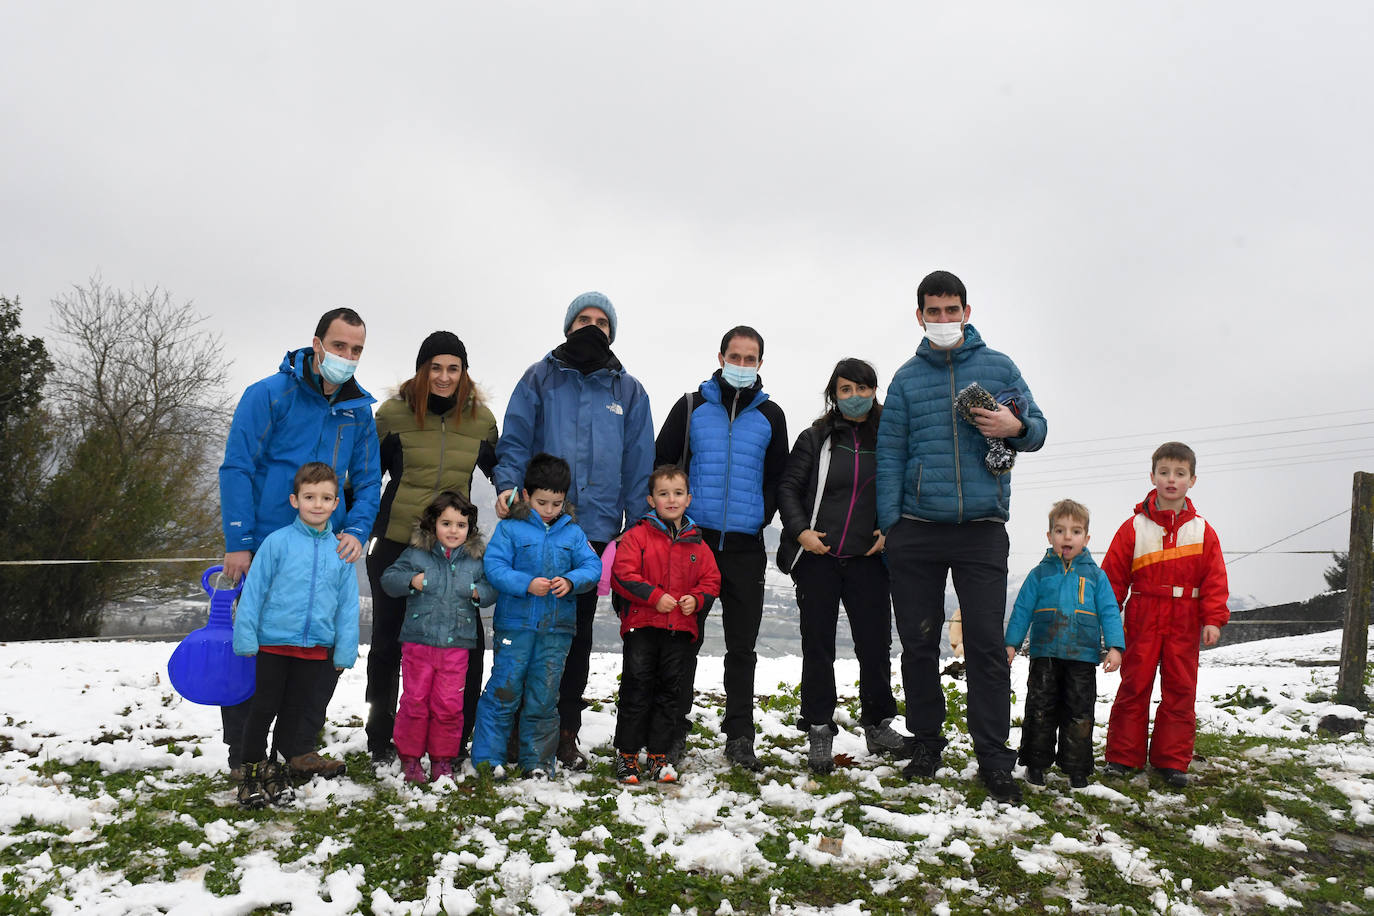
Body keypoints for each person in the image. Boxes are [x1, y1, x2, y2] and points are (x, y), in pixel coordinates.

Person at [876, 269, 1046, 804]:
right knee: (920, 643)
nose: (944, 319)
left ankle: (994, 758)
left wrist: (1015, 429)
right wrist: (892, 526)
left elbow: (1038, 427)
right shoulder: (905, 379)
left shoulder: (999, 366)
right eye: (934, 311)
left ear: (967, 313)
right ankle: (927, 742)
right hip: (917, 530)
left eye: (953, 310)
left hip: (981, 529)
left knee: (987, 647)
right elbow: (889, 456)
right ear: (920, 315)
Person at [493, 292, 654, 770]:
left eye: (601, 322)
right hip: (536, 523)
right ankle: (516, 727)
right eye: (583, 319)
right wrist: (507, 486)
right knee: (523, 626)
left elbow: (638, 463)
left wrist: (634, 526)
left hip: (596, 529)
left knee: (574, 634)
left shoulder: (628, 391)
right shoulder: (539, 378)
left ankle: (565, 731)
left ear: (612, 332)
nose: (592, 327)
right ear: (567, 326)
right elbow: (516, 439)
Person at [218, 307, 380, 781]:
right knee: (257, 656)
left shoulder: (357, 412)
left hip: (327, 550)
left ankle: (299, 746)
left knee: (319, 655)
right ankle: (243, 753)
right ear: (316, 344)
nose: (346, 357)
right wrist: (238, 539)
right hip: (267, 546)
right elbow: (238, 467)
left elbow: (369, 481)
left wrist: (356, 530)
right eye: (339, 346)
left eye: (356, 350)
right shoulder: (268, 395)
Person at [654, 326, 789, 771]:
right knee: (683, 639)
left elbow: (778, 478)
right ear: (720, 356)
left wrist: (762, 515)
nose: (742, 365)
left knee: (742, 646)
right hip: (694, 542)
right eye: (736, 356)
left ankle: (739, 734)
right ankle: (674, 728)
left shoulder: (771, 416)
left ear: (761, 364)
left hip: (746, 547)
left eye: (751, 359)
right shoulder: (691, 407)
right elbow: (663, 464)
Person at [365, 331, 499, 765]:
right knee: (388, 641)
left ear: (465, 373)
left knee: (466, 643)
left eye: (453, 368)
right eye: (435, 368)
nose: (444, 377)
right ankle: (381, 732)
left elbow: (503, 472)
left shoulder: (480, 420)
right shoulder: (392, 414)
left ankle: (456, 735)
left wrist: (514, 497)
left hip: (454, 551)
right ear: (422, 370)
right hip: (398, 543)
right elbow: (367, 476)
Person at [777, 358, 911, 774]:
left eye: (863, 388)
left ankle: (878, 725)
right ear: (834, 394)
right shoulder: (815, 437)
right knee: (817, 646)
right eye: (846, 389)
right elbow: (788, 488)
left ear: (875, 391)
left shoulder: (891, 436)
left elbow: (905, 486)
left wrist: (889, 530)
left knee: (875, 646)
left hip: (868, 560)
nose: (854, 396)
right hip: (819, 557)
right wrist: (801, 532)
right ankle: (819, 729)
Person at [231, 462, 361, 808]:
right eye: (309, 497)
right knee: (263, 708)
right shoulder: (277, 543)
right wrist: (245, 637)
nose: (317, 504)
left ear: (336, 504)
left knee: (294, 710)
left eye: (326, 498)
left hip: (316, 648)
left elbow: (347, 606)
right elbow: (255, 591)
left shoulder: (341, 552)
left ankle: (276, 767)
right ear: (294, 500)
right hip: (274, 644)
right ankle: (250, 770)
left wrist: (344, 651)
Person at [1101, 442, 1229, 788]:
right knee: (1134, 684)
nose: (1171, 479)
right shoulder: (1133, 528)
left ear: (1192, 480)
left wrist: (1213, 619)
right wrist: (1109, 622)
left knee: (1181, 689)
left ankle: (1172, 761)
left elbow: (1215, 579)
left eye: (1180, 473)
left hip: (1185, 619)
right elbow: (1112, 578)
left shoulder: (1203, 531)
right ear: (1153, 476)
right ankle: (1122, 757)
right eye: (1164, 472)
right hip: (1143, 614)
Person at [470, 453, 602, 777]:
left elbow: (593, 566)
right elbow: (495, 567)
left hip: (556, 630)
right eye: (542, 502)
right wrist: (526, 583)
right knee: (504, 690)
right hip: (514, 627)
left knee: (544, 697)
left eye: (556, 504)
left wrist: (571, 581)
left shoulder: (572, 533)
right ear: (526, 495)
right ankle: (488, 759)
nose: (550, 510)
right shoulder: (511, 529)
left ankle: (539, 763)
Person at [610, 464, 722, 785]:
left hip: (679, 630)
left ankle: (659, 756)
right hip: (642, 626)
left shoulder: (698, 544)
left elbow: (711, 580)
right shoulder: (637, 536)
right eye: (663, 494)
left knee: (670, 692)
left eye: (677, 493)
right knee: (636, 687)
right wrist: (654, 596)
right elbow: (622, 574)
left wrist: (696, 600)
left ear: (689, 498)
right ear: (651, 499)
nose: (671, 500)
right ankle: (627, 754)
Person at [1003, 499, 1124, 789]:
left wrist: (1115, 647)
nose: (1067, 537)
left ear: (1086, 538)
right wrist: (1011, 643)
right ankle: (1035, 764)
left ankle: (1076, 767)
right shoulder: (1040, 574)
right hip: (1045, 653)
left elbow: (1109, 610)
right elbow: (1022, 609)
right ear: (1049, 537)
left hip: (1082, 657)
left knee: (1079, 712)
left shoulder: (1096, 576)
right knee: (1040, 709)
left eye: (1075, 531)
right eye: (1060, 530)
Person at [379, 490, 496, 783]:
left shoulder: (475, 559)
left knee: (448, 705)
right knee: (415, 702)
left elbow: (492, 589)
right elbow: (389, 580)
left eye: (460, 525)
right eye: (446, 523)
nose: (453, 530)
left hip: (457, 645)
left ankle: (442, 759)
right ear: (433, 525)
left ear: (470, 528)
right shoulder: (416, 554)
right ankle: (410, 758)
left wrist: (478, 593)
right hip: (418, 641)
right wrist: (411, 580)